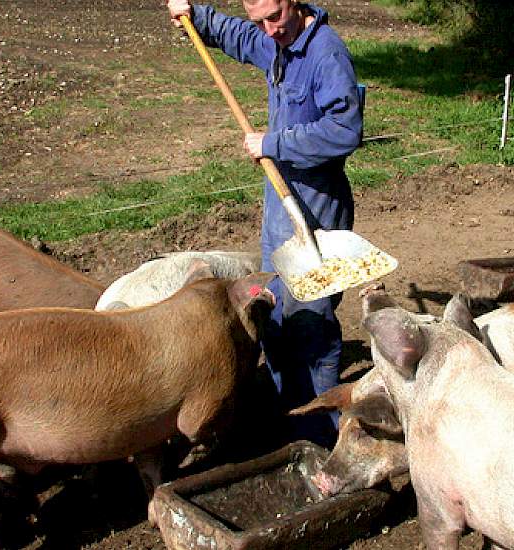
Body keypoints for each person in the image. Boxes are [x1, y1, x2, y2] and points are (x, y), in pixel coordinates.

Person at [166, 0, 363, 447]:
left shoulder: (325, 54)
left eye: (274, 17)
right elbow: (240, 38)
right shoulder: (277, 42)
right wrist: (194, 15)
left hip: (317, 202)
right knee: (274, 311)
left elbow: (345, 130)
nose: (269, 30)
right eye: (260, 21)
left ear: (294, 2)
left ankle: (321, 432)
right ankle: (286, 416)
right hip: (280, 199)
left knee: (310, 319)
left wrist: (274, 142)